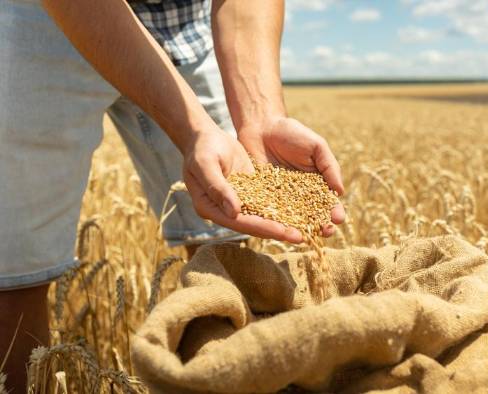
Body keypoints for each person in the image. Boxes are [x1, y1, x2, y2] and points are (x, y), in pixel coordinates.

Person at [0, 0, 345, 391]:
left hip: (183, 19)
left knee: (227, 248)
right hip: (50, 16)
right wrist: (194, 130)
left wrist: (262, 117)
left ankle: (228, 377)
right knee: (13, 270)